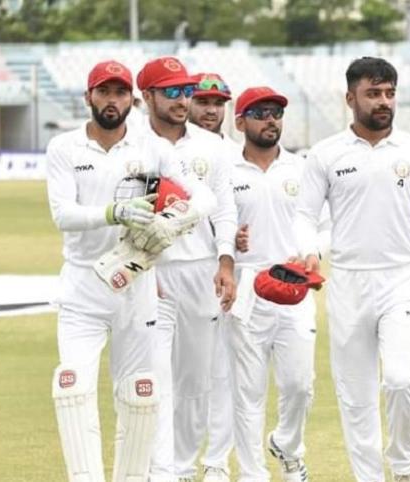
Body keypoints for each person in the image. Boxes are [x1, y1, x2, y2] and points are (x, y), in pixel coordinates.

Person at [294, 56, 410, 482]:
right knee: (356, 399)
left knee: (400, 381)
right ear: (350, 98)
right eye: (373, 93)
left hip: (400, 280)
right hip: (349, 284)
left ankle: (405, 471)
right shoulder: (326, 154)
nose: (383, 102)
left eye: (389, 93)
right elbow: (304, 216)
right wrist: (308, 252)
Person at [46, 60, 216, 482]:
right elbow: (62, 213)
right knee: (73, 388)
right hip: (84, 285)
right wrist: (113, 211)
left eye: (120, 93)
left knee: (139, 396)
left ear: (133, 99)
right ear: (89, 97)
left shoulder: (150, 146)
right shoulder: (64, 148)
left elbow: (204, 197)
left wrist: (176, 219)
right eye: (103, 92)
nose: (112, 100)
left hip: (136, 285)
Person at [136, 56, 238, 482]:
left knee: (195, 382)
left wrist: (226, 262)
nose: (183, 100)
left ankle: (180, 466)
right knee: (153, 378)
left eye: (185, 92)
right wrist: (140, 268)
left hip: (200, 271)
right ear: (147, 96)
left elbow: (226, 208)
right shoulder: (133, 143)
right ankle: (158, 471)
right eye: (172, 92)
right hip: (151, 275)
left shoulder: (212, 146)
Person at [226, 86, 329, 482]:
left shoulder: (302, 169)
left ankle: (287, 446)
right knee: (249, 392)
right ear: (240, 122)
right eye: (260, 113)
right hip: (248, 285)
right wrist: (230, 243)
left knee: (300, 385)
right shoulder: (227, 171)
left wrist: (312, 252)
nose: (271, 119)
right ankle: (252, 474)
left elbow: (327, 224)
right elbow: (212, 227)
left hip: (293, 285)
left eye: (276, 113)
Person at [186, 71, 237, 481]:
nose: (210, 110)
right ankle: (176, 463)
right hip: (182, 273)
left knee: (224, 373)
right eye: (203, 101)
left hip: (230, 275)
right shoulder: (175, 150)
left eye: (218, 103)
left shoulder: (239, 154)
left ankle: (217, 462)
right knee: (185, 372)